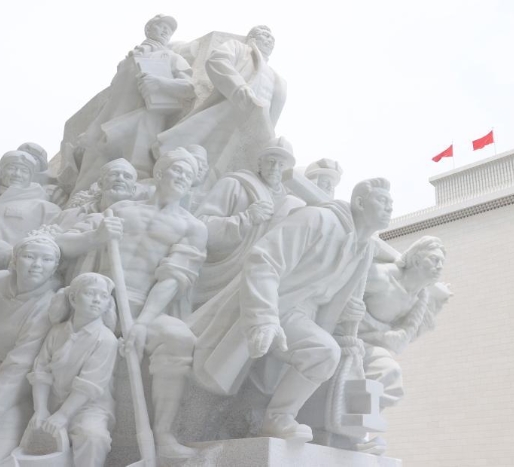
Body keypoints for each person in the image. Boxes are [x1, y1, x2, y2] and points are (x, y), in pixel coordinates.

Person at [188, 178, 393, 443]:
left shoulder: (364, 249)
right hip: (273, 303)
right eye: (382, 201)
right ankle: (276, 418)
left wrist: (347, 312)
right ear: (360, 203)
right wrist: (264, 318)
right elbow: (264, 260)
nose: (389, 208)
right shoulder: (317, 219)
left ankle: (276, 419)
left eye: (391, 203)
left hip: (304, 316)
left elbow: (327, 296)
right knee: (322, 352)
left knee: (325, 355)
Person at [56, 148, 207, 458]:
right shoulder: (121, 210)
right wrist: (96, 236)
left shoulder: (193, 228)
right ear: (160, 173)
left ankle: (163, 434)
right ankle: (79, 423)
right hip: (102, 300)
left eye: (189, 175)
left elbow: (173, 278)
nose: (182, 177)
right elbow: (63, 244)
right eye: (177, 170)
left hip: (147, 306)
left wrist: (141, 323)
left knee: (179, 338)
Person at [62, 15, 196, 194]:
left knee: (133, 176)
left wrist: (159, 83)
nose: (166, 31)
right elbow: (113, 98)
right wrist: (92, 129)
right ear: (148, 29)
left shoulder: (172, 57)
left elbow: (189, 88)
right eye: (161, 26)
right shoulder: (125, 62)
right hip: (107, 125)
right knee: (86, 182)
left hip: (142, 122)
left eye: (169, 30)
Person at [154, 25, 286, 178]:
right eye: (265, 35)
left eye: (272, 39)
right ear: (252, 38)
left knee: (233, 169)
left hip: (253, 126)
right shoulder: (239, 48)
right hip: (229, 110)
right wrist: (238, 88)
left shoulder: (278, 80)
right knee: (206, 151)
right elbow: (217, 60)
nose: (270, 40)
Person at [191, 136, 304, 306]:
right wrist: (246, 219)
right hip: (222, 272)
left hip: (263, 277)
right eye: (271, 161)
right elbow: (198, 226)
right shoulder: (234, 184)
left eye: (281, 164)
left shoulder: (290, 202)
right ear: (259, 163)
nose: (275, 168)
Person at [0, 235, 62, 463]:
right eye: (29, 256)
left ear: (55, 267)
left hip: (15, 389)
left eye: (46, 260)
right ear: (14, 260)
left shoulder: (47, 305)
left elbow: (18, 367)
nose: (37, 265)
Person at [26, 273, 118, 467]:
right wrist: (40, 409)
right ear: (73, 299)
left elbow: (88, 386)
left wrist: (63, 415)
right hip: (52, 402)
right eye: (90, 293)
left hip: (89, 407)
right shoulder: (56, 332)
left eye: (103, 296)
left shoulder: (106, 339)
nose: (97, 300)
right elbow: (41, 373)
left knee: (93, 437)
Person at [361, 236, 447, 410]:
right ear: (415, 260)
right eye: (434, 259)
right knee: (387, 373)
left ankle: (360, 421)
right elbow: (343, 291)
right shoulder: (381, 276)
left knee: (391, 380)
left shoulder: (419, 298)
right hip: (344, 337)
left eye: (442, 262)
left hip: (370, 345)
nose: (439, 267)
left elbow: (403, 338)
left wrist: (437, 304)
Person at [0, 151, 61, 250]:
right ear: (0, 172)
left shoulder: (45, 209)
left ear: (31, 177)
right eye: (11, 168)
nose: (17, 174)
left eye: (24, 171)